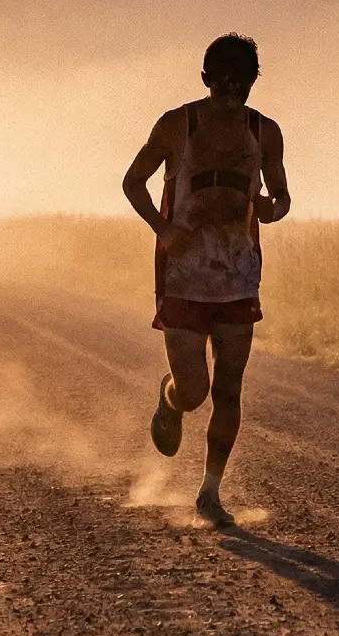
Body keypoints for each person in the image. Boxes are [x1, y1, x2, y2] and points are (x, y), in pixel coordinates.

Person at [121, 33, 289, 527]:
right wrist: (163, 227)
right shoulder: (177, 124)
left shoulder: (266, 132)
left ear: (252, 86)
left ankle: (210, 494)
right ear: (206, 81)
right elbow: (133, 181)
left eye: (240, 85)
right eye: (222, 84)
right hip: (183, 277)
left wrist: (270, 209)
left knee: (230, 390)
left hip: (239, 277)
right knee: (195, 390)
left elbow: (281, 197)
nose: (230, 95)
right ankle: (170, 397)